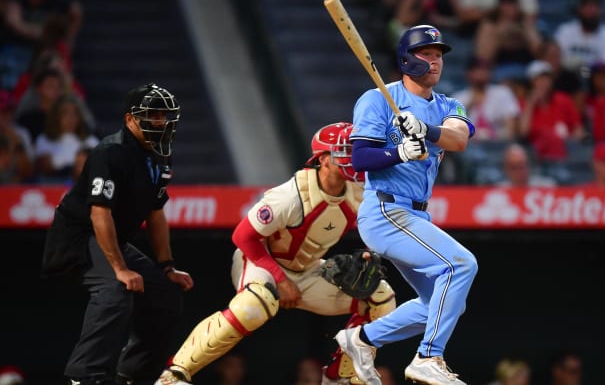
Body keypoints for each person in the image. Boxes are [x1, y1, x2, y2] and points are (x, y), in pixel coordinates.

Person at [155, 122, 397, 385]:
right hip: (261, 260)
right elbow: (243, 236)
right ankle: (175, 374)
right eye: (346, 151)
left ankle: (341, 377)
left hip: (307, 268)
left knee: (381, 297)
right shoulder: (291, 196)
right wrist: (280, 280)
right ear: (324, 159)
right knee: (254, 306)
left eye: (356, 149)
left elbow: (380, 224)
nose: (355, 157)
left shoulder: (360, 190)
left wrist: (368, 253)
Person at [338, 24, 478, 385]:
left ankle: (362, 339)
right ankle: (428, 356)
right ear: (406, 59)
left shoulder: (449, 104)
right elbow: (361, 158)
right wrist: (398, 151)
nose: (434, 62)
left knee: (446, 304)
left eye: (438, 56)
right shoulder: (377, 98)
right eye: (426, 54)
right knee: (461, 265)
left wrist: (427, 131)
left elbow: (459, 138)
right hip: (385, 209)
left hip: (415, 213)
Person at [41, 83, 194, 384]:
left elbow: (156, 212)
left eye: (165, 116)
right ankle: (84, 377)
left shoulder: (161, 156)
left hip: (111, 240)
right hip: (76, 237)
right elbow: (100, 212)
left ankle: (133, 375)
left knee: (164, 294)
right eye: (153, 115)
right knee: (115, 289)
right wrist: (120, 268)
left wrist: (167, 266)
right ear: (130, 120)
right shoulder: (109, 152)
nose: (161, 122)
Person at [554, 0, 605, 68]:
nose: (593, 12)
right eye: (589, 7)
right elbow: (555, 58)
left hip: (595, 77)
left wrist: (585, 66)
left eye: (596, 7)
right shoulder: (565, 31)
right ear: (580, 9)